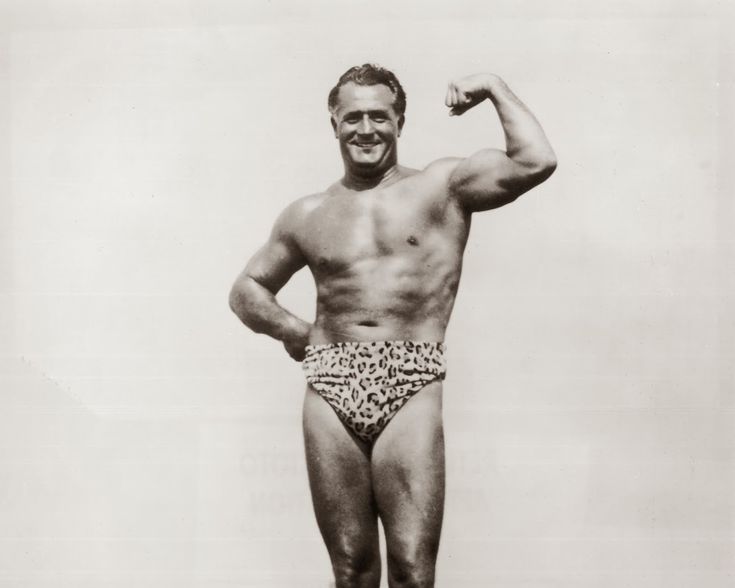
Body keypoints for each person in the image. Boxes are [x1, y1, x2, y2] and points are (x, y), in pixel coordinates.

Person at [229, 64, 556, 588]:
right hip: (330, 383)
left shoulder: (442, 186)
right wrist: (295, 330)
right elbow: (246, 290)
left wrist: (493, 85)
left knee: (411, 569)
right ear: (333, 124)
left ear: (400, 121)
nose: (366, 129)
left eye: (379, 116)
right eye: (352, 117)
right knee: (352, 570)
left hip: (411, 375)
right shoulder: (306, 214)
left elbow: (536, 160)